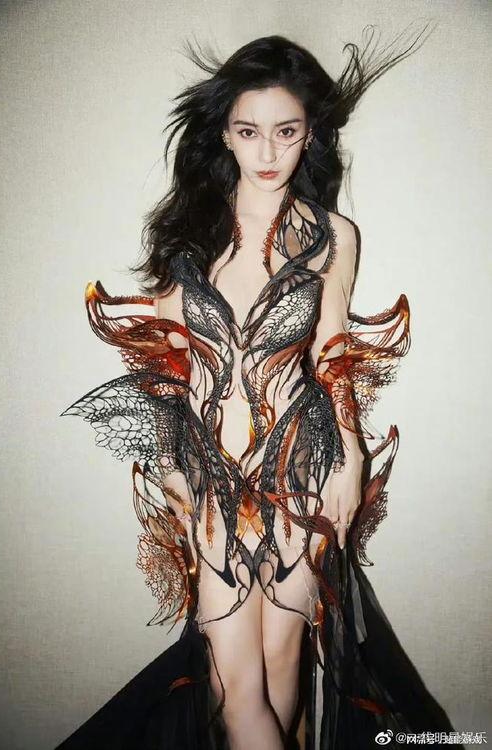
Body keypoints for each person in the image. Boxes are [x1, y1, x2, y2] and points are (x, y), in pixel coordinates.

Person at [57, 27, 463, 750]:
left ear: (310, 134)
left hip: (300, 475)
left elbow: (332, 351)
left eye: (286, 131)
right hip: (211, 479)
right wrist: (172, 465)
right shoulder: (187, 232)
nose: (268, 152)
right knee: (237, 696)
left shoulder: (334, 234)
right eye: (249, 132)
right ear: (226, 134)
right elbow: (167, 365)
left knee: (280, 681)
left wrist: (351, 458)